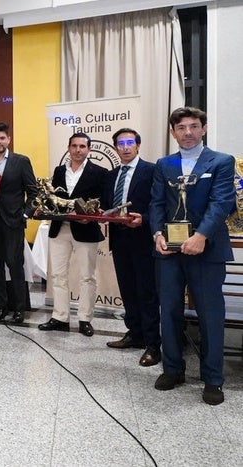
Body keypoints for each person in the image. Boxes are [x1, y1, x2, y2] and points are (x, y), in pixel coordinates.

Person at [150, 107, 235, 405]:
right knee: (169, 310)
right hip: (170, 251)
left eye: (193, 126)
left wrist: (201, 236)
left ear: (204, 129)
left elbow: (222, 202)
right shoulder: (164, 164)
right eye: (181, 127)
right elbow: (157, 204)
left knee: (210, 315)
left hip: (206, 250)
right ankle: (173, 369)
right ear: (173, 132)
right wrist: (157, 234)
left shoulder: (221, 162)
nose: (187, 132)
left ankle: (212, 379)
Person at [38, 133, 107, 337]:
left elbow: (103, 201)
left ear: (89, 149)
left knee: (87, 277)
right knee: (58, 276)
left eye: (82, 146)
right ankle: (60, 317)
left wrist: (92, 217)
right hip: (60, 228)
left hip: (86, 229)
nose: (78, 150)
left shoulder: (99, 172)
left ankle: (85, 319)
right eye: (74, 146)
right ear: (68, 148)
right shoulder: (59, 171)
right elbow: (53, 199)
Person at [103, 128, 160, 367]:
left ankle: (152, 345)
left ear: (138, 145)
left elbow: (159, 205)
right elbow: (107, 206)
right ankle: (134, 333)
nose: (125, 147)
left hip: (143, 239)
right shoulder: (112, 174)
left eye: (129, 143)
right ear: (115, 147)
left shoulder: (151, 170)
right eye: (120, 144)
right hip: (119, 238)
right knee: (127, 290)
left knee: (146, 292)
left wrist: (144, 219)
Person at [0, 122, 37, 324]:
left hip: (14, 221)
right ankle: (0, 307)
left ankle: (19, 308)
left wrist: (25, 214)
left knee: (15, 265)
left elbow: (33, 192)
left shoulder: (21, 161)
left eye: (2, 138)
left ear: (8, 140)